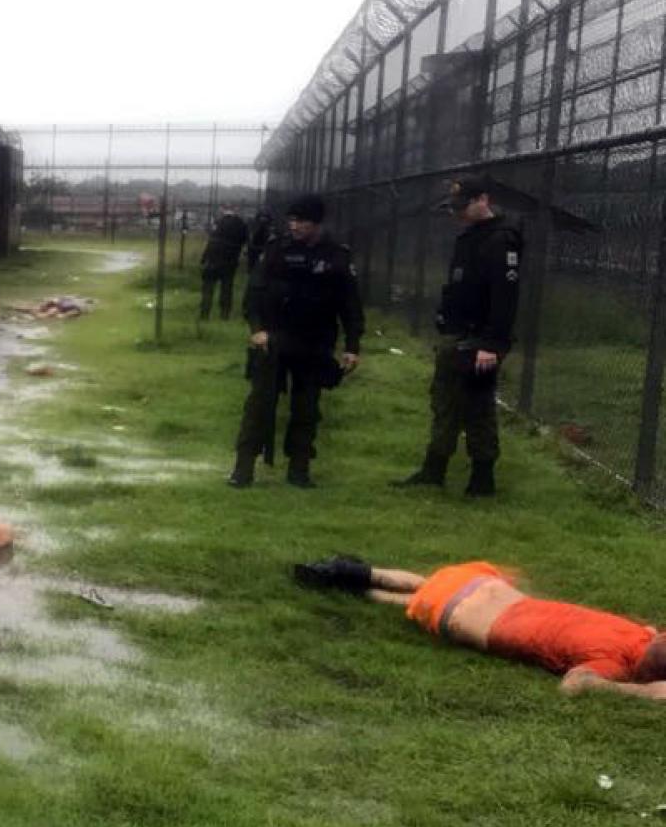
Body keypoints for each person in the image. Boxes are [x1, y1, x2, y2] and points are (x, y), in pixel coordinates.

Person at [295, 556, 666, 701]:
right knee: (417, 603)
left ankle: (362, 572)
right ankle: (360, 587)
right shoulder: (613, 664)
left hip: (490, 590)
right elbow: (575, 685)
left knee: (428, 585)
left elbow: (654, 636)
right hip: (477, 621)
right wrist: (645, 693)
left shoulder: (639, 633)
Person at [394, 174, 524, 497]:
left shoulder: (501, 239)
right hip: (455, 336)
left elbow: (503, 298)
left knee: (478, 407)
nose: (458, 214)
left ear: (483, 200)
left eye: (463, 207)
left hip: (479, 341)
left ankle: (482, 478)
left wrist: (492, 344)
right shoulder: (470, 238)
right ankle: (433, 469)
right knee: (444, 402)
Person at [229, 194, 364, 489]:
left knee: (307, 409)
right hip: (273, 341)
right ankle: (243, 468)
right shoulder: (277, 250)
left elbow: (350, 305)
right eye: (291, 220)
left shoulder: (336, 255)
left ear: (316, 223)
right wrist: (257, 329)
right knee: (259, 406)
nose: (295, 226)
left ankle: (299, 468)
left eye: (301, 221)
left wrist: (352, 346)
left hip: (314, 343)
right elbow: (254, 294)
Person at [200, 205, 250, 321]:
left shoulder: (218, 222)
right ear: (236, 211)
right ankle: (224, 315)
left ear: (223, 210)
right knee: (227, 288)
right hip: (230, 261)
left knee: (208, 287)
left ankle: (204, 313)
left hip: (213, 258)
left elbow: (211, 241)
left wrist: (204, 258)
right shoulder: (241, 224)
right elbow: (245, 242)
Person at [245, 208, 274, 272]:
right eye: (262, 217)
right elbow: (251, 236)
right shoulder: (254, 224)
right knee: (252, 265)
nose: (263, 219)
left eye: (265, 217)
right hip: (255, 248)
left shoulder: (269, 226)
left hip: (263, 248)